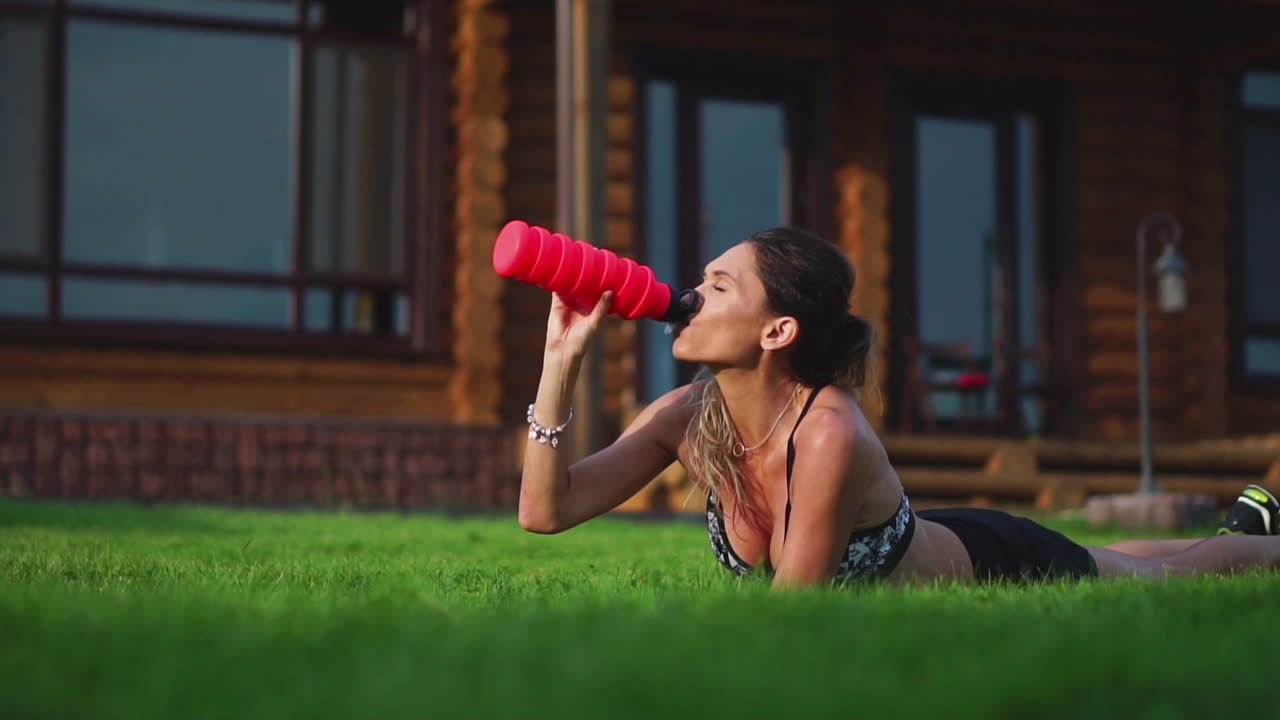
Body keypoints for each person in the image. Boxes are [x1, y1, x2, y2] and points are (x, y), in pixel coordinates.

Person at [517, 226, 1280, 588]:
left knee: (1158, 577)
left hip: (994, 561)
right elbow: (545, 513)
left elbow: (792, 618)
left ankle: (1256, 543)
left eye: (719, 286)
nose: (692, 295)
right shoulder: (689, 414)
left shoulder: (828, 432)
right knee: (1125, 558)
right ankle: (1246, 527)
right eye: (702, 280)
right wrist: (559, 365)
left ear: (778, 331)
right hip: (944, 532)